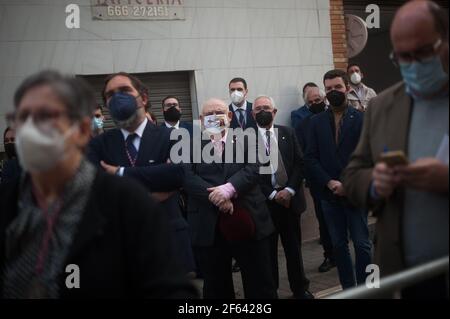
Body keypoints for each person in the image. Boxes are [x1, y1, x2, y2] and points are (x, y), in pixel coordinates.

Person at [0, 70, 198, 298]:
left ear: (81, 130)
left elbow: (178, 174)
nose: (36, 128)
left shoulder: (168, 141)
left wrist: (120, 172)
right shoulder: (8, 202)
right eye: (24, 117)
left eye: (49, 117)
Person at [342, 0, 448, 299]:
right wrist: (375, 182)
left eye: (423, 52)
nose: (414, 64)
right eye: (403, 57)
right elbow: (352, 176)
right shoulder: (381, 106)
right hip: (404, 277)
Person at [87, 72, 196, 276]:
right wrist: (157, 180)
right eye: (110, 94)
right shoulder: (98, 145)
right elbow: (95, 186)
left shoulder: (172, 136)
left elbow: (178, 173)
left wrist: (119, 173)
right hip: (119, 248)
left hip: (168, 242)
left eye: (125, 91)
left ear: (143, 98)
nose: (117, 97)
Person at [182, 98, 277, 299]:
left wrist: (228, 189)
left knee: (260, 283)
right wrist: (217, 196)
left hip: (249, 220)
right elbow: (187, 177)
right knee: (216, 287)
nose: (214, 117)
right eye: (209, 114)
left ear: (230, 116)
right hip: (208, 225)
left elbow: (255, 168)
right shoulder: (188, 145)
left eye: (219, 112)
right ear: (201, 119)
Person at [305, 69, 372, 289]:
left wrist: (348, 184)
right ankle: (348, 290)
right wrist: (330, 182)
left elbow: (368, 156)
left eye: (337, 87)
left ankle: (368, 289)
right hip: (329, 195)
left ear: (348, 89)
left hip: (355, 193)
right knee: (338, 246)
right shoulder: (315, 122)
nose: (333, 92)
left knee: (363, 245)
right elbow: (311, 158)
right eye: (329, 88)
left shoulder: (361, 119)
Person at [252, 95, 313, 299]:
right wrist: (272, 194)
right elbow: (248, 173)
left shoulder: (288, 132)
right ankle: (271, 293)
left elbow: (299, 164)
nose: (262, 111)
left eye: (266, 108)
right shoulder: (245, 139)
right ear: (252, 114)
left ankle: (300, 289)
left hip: (290, 202)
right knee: (268, 254)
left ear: (274, 112)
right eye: (258, 108)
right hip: (264, 205)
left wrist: (290, 191)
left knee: (294, 250)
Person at [295, 87, 335, 273]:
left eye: (317, 100)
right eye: (310, 102)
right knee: (324, 221)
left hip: (340, 178)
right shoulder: (303, 126)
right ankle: (330, 255)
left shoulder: (334, 117)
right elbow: (303, 155)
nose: (314, 104)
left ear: (324, 98)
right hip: (318, 183)